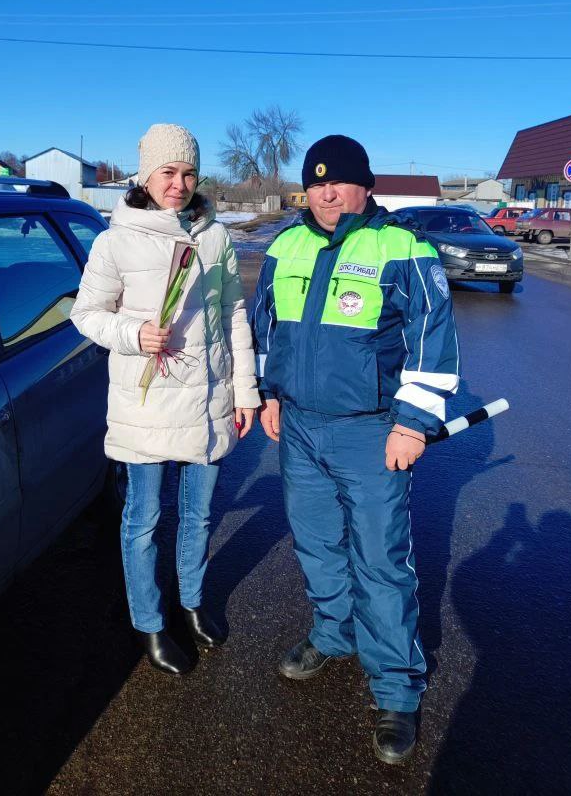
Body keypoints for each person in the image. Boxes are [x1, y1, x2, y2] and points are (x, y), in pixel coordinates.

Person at [250, 135, 460, 764]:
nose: (327, 193)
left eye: (338, 181)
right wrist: (269, 393)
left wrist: (413, 423)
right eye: (317, 183)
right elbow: (268, 328)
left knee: (380, 558)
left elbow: (432, 336)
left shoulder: (403, 247)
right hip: (301, 426)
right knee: (316, 542)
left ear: (365, 186)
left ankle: (395, 687)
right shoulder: (284, 245)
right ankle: (333, 633)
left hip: (371, 429)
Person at [71, 123, 260, 675]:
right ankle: (149, 622)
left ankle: (192, 603)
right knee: (144, 519)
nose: (179, 184)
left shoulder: (215, 237)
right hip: (147, 404)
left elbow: (233, 314)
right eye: (168, 172)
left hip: (208, 398)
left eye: (188, 173)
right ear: (146, 175)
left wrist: (245, 390)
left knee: (198, 516)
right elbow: (86, 314)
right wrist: (133, 334)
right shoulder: (115, 240)